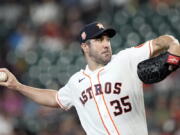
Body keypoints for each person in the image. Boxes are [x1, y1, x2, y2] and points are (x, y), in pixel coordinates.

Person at [0, 22, 180, 135]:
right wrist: (18, 86)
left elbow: (160, 42)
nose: (106, 44)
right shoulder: (76, 82)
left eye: (107, 39)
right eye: (99, 40)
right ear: (85, 47)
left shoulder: (126, 59)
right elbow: (54, 99)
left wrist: (173, 44)